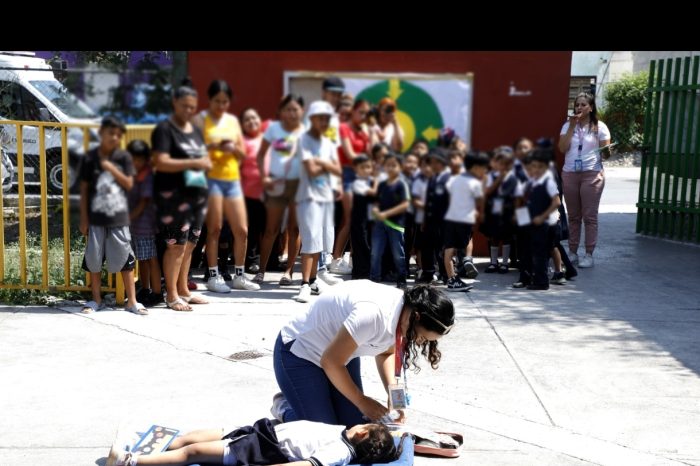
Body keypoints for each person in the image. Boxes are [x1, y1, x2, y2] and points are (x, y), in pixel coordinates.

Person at [273, 280, 455, 427]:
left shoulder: (405, 314)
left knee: (353, 426)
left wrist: (396, 400)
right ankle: (285, 407)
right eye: (422, 337)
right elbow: (330, 362)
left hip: (342, 355)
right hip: (299, 353)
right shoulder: (372, 315)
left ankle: (308, 400)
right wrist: (361, 401)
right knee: (323, 433)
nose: (419, 342)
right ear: (416, 317)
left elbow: (386, 353)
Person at [106, 418, 403, 466]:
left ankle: (130, 461)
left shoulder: (341, 450)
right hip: (263, 431)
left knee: (194, 452)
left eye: (364, 424)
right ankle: (148, 440)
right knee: (207, 435)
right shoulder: (344, 434)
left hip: (260, 449)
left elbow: (306, 465)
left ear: (363, 434)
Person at [193, 79, 260, 293]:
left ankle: (239, 275)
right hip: (210, 179)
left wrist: (232, 148)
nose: (221, 106)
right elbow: (192, 148)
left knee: (242, 229)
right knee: (214, 229)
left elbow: (242, 152)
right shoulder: (200, 119)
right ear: (209, 100)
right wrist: (213, 145)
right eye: (217, 101)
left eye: (225, 101)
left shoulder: (232, 121)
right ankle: (213, 275)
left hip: (232, 179)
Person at [152, 79, 211, 312]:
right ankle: (172, 294)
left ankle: (184, 289)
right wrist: (193, 161)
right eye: (184, 105)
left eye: (192, 106)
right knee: (175, 245)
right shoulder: (165, 130)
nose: (188, 110)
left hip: (196, 192)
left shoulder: (194, 130)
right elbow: (161, 161)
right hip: (173, 196)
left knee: (191, 244)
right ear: (175, 103)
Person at [79, 116, 146, 315]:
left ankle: (132, 301)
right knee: (94, 259)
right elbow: (83, 190)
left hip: (118, 217)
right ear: (101, 134)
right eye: (111, 133)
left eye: (118, 134)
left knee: (126, 259)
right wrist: (83, 218)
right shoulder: (90, 158)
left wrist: (110, 169)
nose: (115, 137)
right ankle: (96, 299)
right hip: (96, 218)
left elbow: (129, 184)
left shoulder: (123, 158)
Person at [293, 100, 342, 303]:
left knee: (320, 241)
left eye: (326, 118)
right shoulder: (303, 140)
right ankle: (304, 284)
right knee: (310, 240)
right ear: (312, 119)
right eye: (320, 118)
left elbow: (337, 170)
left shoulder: (328, 143)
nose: (323, 122)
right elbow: (311, 170)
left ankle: (313, 280)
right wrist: (326, 164)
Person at [254, 94, 306, 286]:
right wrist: (264, 177)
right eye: (288, 109)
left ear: (302, 111)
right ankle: (261, 271)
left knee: (294, 229)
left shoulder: (307, 132)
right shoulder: (273, 129)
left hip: (298, 185)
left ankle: (289, 271)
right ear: (282, 112)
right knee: (271, 229)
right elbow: (260, 155)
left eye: (295, 109)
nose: (292, 113)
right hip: (276, 185)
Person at [558, 92, 611, 268]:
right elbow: (562, 148)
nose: (579, 108)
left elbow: (606, 153)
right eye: (577, 105)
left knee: (589, 216)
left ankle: (589, 254)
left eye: (583, 105)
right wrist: (572, 126)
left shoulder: (599, 126)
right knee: (573, 216)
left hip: (591, 173)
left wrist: (607, 150)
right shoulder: (567, 126)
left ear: (591, 108)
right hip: (570, 173)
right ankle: (572, 252)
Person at [443, 151, 489, 292]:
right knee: (466, 240)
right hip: (463, 219)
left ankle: (452, 279)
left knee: (449, 250)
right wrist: (480, 214)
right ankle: (467, 260)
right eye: (483, 167)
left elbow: (450, 198)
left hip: (450, 218)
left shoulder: (454, 179)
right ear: (475, 167)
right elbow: (480, 200)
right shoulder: (474, 182)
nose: (485, 170)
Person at [127, 139, 163, 307]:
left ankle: (156, 293)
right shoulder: (137, 173)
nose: (136, 162)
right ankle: (146, 288)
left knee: (151, 259)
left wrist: (130, 216)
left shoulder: (147, 175)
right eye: (133, 159)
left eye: (139, 159)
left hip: (144, 224)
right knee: (143, 258)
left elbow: (143, 201)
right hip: (138, 225)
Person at [370, 153, 411, 289]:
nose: (391, 168)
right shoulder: (381, 185)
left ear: (400, 167)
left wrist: (386, 213)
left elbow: (405, 205)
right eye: (388, 165)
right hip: (379, 224)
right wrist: (376, 210)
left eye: (394, 165)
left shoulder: (402, 185)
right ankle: (374, 280)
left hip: (396, 225)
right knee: (375, 252)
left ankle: (401, 279)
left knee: (398, 254)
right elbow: (376, 202)